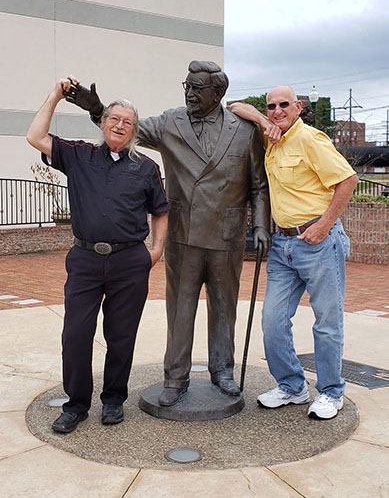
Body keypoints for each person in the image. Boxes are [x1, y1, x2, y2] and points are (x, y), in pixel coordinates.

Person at [66, 61, 271, 406]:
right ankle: (176, 377)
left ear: (218, 93)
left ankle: (223, 370)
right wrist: (98, 110)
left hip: (227, 234)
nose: (189, 93)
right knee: (180, 308)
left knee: (224, 306)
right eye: (186, 86)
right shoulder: (169, 122)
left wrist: (262, 225)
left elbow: (258, 185)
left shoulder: (244, 129)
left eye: (197, 88)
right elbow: (127, 130)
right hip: (182, 232)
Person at [26, 78, 169, 432]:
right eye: (114, 119)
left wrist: (156, 251)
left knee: (121, 335)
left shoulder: (147, 167)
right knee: (76, 333)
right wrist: (56, 96)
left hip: (129, 261)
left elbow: (161, 211)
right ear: (103, 122)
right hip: (85, 260)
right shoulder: (78, 155)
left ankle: (113, 400)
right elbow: (35, 137)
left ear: (134, 131)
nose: (120, 126)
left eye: (128, 122)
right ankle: (75, 405)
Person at [230, 86, 358, 420]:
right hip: (283, 245)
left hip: (317, 242)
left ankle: (331, 392)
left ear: (297, 107)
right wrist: (260, 119)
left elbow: (348, 179)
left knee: (326, 323)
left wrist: (325, 224)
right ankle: (292, 386)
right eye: (271, 106)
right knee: (272, 321)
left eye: (283, 105)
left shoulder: (311, 140)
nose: (277, 111)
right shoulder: (271, 137)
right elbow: (233, 106)